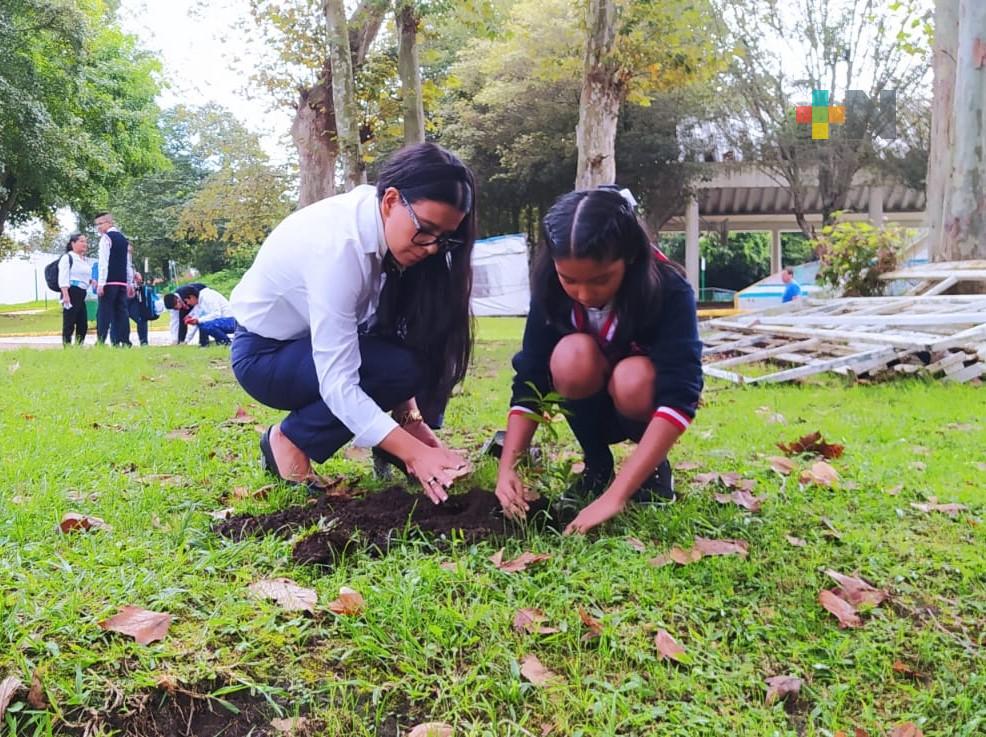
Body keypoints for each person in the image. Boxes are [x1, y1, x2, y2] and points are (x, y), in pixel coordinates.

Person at [230, 142, 475, 501]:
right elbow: (339, 383)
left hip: (305, 348)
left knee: (418, 351)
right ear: (391, 201)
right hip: (266, 357)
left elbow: (387, 338)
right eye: (425, 230)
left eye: (445, 238)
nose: (433, 247)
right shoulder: (339, 249)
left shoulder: (380, 227)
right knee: (396, 368)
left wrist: (410, 422)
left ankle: (389, 441)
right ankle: (289, 440)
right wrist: (415, 453)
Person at [494, 186, 703, 535]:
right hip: (588, 406)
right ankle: (596, 464)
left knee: (632, 376)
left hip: (639, 405)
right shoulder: (548, 288)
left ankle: (650, 471)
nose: (585, 294)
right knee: (570, 356)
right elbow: (530, 376)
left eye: (601, 279)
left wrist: (616, 497)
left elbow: (681, 396)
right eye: (569, 280)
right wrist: (508, 470)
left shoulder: (669, 291)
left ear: (631, 258)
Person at [94, 212, 134, 346]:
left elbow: (103, 263)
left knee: (104, 312)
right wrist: (129, 283)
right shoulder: (123, 240)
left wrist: (101, 283)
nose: (98, 227)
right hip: (122, 282)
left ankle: (101, 340)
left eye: (100, 224)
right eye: (97, 225)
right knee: (121, 312)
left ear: (109, 223)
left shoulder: (106, 239)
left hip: (109, 281)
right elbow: (128, 263)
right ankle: (124, 340)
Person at [57, 233, 93, 345]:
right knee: (69, 322)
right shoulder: (67, 257)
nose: (84, 244)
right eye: (81, 241)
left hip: (82, 292)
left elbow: (84, 276)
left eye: (85, 241)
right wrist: (65, 294)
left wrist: (91, 281)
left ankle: (79, 346)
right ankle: (67, 346)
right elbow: (63, 276)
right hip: (71, 291)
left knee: (82, 323)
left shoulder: (83, 260)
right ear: (73, 243)